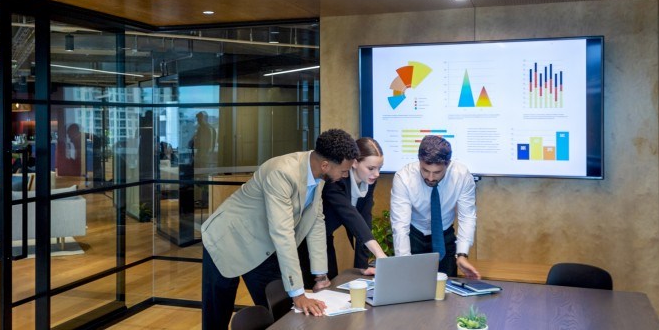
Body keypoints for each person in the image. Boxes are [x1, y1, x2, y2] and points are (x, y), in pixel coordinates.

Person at [200, 129, 359, 329]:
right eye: (344, 171)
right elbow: (283, 233)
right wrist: (299, 294)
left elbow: (316, 222)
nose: (345, 176)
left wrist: (320, 275)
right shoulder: (281, 172)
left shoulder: (319, 174)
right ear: (325, 165)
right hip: (228, 240)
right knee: (217, 317)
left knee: (281, 311)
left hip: (264, 245)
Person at [298, 136, 387, 286]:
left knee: (331, 283)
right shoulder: (335, 179)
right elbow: (351, 216)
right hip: (307, 238)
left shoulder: (369, 181)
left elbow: (364, 219)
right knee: (314, 287)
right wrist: (379, 252)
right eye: (371, 168)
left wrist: (363, 265)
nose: (376, 174)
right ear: (355, 163)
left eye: (379, 168)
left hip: (326, 236)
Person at [390, 134, 480, 279]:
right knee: (412, 286)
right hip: (414, 235)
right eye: (425, 170)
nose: (430, 178)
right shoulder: (404, 178)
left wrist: (462, 254)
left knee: (447, 289)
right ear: (419, 161)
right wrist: (404, 261)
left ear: (448, 164)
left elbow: (467, 216)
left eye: (437, 172)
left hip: (444, 236)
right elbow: (400, 226)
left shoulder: (462, 176)